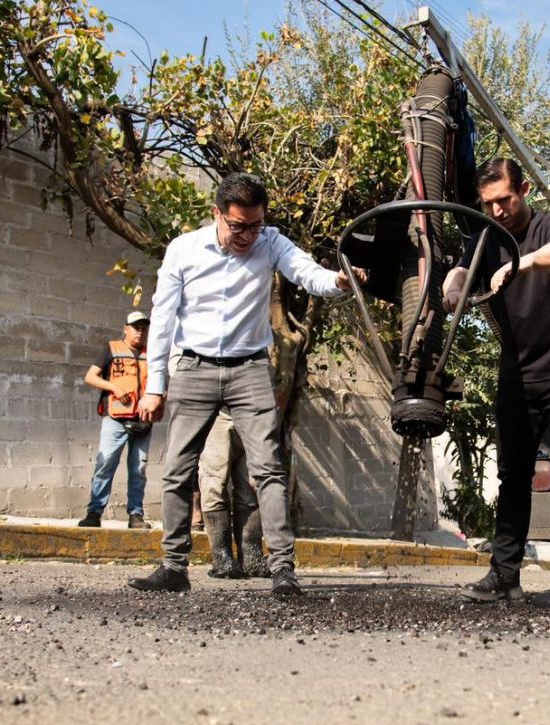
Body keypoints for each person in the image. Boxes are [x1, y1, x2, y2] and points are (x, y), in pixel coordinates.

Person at [128, 171, 366, 595]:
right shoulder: (183, 250)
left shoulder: (270, 242)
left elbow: (306, 272)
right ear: (217, 214)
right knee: (178, 470)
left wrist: (337, 281)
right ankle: (174, 567)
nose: (248, 236)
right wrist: (155, 385)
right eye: (238, 226)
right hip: (194, 368)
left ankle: (283, 570)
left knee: (269, 469)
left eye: (256, 225)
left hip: (250, 370)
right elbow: (162, 319)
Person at [442, 158, 550, 606]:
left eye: (504, 200)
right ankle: (505, 576)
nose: (497, 211)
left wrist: (523, 264)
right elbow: (460, 271)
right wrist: (453, 288)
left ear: (523, 190)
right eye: (488, 204)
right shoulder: (486, 238)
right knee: (513, 477)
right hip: (518, 376)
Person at [79, 311, 153, 530]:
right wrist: (115, 388)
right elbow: (90, 376)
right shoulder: (112, 349)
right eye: (136, 327)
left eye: (143, 328)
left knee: (138, 469)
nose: (140, 332)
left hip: (143, 419)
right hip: (115, 418)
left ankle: (136, 515)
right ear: (126, 329)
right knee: (105, 464)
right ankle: (94, 513)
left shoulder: (151, 354)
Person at [198, 410, 269, 579]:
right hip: (218, 412)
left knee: (252, 486)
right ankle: (222, 557)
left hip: (253, 413)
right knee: (214, 483)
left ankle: (251, 555)